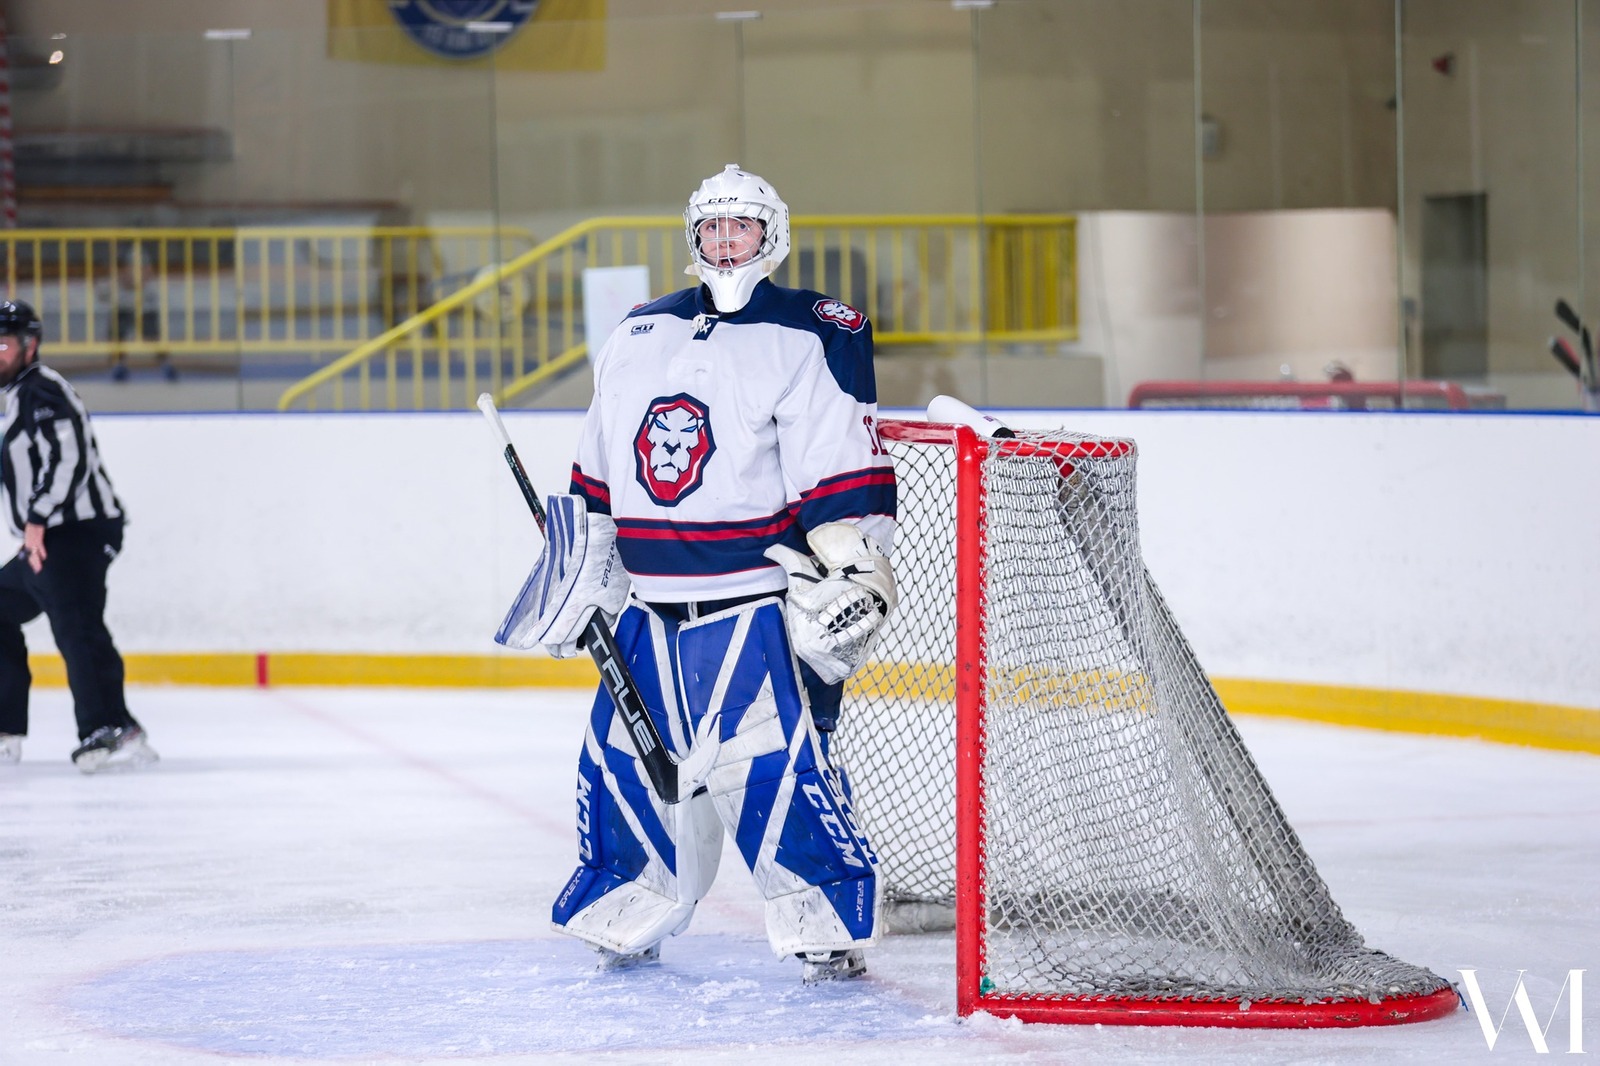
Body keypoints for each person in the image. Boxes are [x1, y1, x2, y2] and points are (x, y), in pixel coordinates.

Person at [497, 165, 898, 983]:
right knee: (623, 768)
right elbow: (599, 466)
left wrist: (851, 565)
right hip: (648, 612)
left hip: (749, 605)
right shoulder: (640, 331)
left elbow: (835, 461)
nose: (725, 242)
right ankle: (628, 901)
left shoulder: (811, 330)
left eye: (741, 227)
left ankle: (822, 919)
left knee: (774, 766)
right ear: (693, 236)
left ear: (771, 235)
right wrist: (587, 567)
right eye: (712, 227)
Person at [0, 299, 157, 773]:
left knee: (75, 622)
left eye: (2, 344)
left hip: (78, 532)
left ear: (29, 346)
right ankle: (8, 727)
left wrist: (36, 518)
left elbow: (68, 460)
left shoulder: (42, 390)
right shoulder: (17, 395)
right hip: (51, 535)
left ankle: (107, 726)